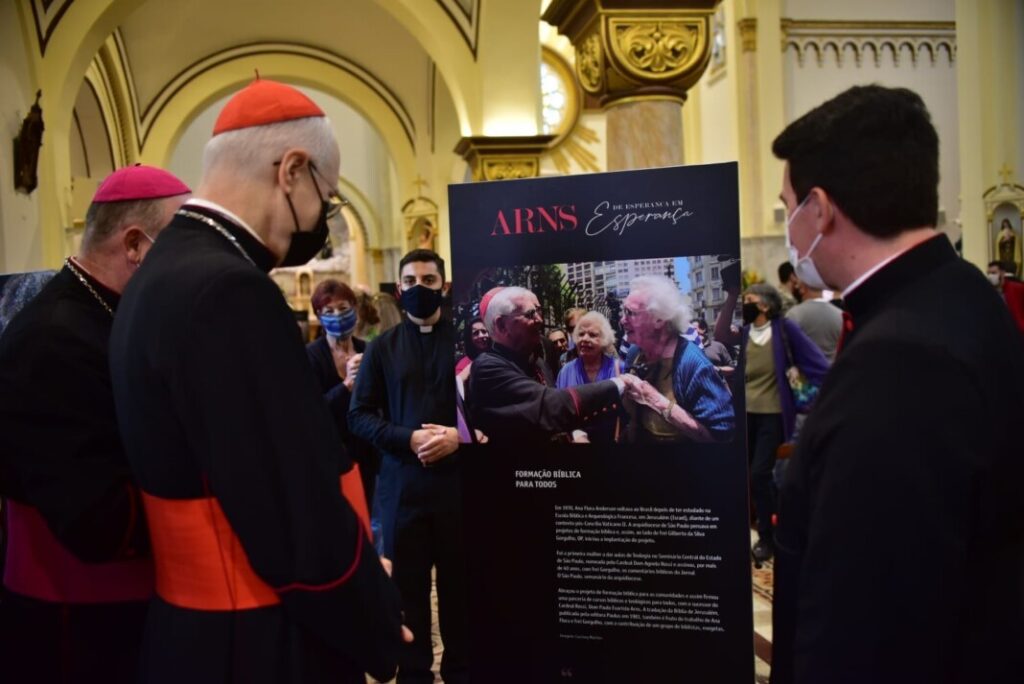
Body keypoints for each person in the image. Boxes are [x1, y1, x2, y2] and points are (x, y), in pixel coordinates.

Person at [108, 79, 405, 683]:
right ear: (292, 171)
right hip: (256, 638)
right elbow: (289, 503)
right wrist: (371, 615)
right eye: (326, 195)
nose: (323, 216)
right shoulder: (229, 291)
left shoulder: (161, 272)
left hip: (198, 632)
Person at [768, 85, 1024, 684]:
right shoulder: (960, 292)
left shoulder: (900, 366)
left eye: (788, 210)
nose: (790, 228)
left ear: (820, 209)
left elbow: (871, 625)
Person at [0, 165, 190, 683]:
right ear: (135, 244)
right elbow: (95, 518)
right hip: (74, 619)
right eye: (179, 247)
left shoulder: (112, 314)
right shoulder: (52, 338)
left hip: (130, 608)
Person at [348, 248, 466, 684]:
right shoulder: (381, 349)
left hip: (457, 492)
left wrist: (460, 438)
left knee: (461, 596)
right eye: (412, 282)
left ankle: (461, 673)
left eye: (429, 281)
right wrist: (408, 437)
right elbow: (359, 415)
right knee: (409, 597)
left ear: (444, 287)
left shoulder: (465, 345)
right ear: (399, 290)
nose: (420, 289)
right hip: (403, 494)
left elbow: (491, 412)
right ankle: (415, 675)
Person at [717, 283, 828, 562]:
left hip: (773, 414)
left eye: (750, 300)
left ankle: (768, 536)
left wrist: (808, 395)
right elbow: (720, 335)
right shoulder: (744, 334)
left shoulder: (784, 330)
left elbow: (819, 365)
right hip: (745, 416)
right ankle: (776, 526)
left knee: (759, 473)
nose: (747, 304)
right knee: (756, 477)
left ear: (765, 305)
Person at [469, 287, 639, 444]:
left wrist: (575, 433)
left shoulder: (538, 363)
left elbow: (561, 415)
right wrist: (619, 383)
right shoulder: (487, 368)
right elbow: (551, 405)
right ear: (501, 325)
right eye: (530, 314)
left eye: (539, 311)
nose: (540, 320)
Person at [621, 275, 736, 444]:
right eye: (623, 312)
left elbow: (722, 436)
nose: (622, 320)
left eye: (630, 313)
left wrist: (656, 400)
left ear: (659, 318)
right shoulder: (634, 353)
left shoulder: (693, 363)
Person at [306, 278, 378, 505]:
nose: (337, 315)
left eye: (343, 309)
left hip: (365, 452)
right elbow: (310, 410)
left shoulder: (367, 349)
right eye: (329, 310)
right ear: (319, 316)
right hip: (329, 454)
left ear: (355, 310)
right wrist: (346, 384)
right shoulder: (311, 355)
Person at [555, 311, 624, 443]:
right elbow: (560, 411)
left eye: (592, 335)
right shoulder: (565, 371)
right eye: (581, 334)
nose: (584, 339)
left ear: (605, 339)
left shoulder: (619, 368)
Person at [785, 276, 843, 362]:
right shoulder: (840, 314)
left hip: (806, 373)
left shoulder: (793, 315)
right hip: (835, 370)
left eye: (798, 285)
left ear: (803, 289)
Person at [987, 259, 1024, 335]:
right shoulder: (988, 293)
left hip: (1018, 333)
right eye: (989, 273)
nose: (990, 276)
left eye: (994, 273)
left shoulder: (1016, 288)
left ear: (1002, 273)